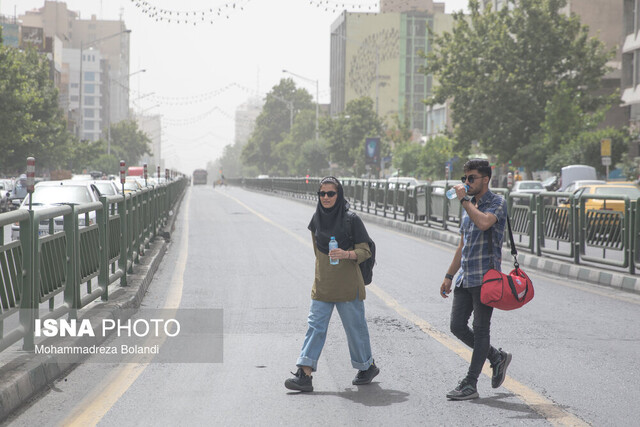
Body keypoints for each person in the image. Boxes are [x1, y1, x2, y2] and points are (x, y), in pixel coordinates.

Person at [285, 176, 379, 392]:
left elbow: (365, 251)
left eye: (331, 193)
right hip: (323, 285)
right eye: (322, 194)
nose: (326, 197)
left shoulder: (351, 219)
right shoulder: (316, 220)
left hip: (348, 287)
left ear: (339, 195)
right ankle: (304, 374)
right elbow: (318, 254)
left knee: (355, 330)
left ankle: (367, 366)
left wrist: (346, 254)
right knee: (315, 327)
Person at [439, 159, 512, 401]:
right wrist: (449, 275)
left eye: (472, 178)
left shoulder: (496, 203)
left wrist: (464, 201)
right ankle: (496, 356)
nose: (467, 183)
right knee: (457, 326)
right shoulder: (471, 205)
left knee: (481, 331)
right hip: (465, 277)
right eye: (465, 179)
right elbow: (463, 244)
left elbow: (483, 223)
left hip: (486, 278)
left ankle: (470, 383)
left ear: (485, 179)